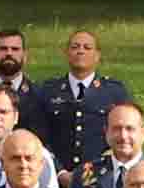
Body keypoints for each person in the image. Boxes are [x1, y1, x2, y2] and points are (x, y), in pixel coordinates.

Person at [35, 29, 129, 173]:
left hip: (101, 177)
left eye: (87, 47)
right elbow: (39, 139)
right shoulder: (48, 91)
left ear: (97, 55)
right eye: (75, 47)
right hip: (55, 178)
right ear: (66, 53)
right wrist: (59, 173)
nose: (80, 51)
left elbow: (124, 136)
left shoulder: (114, 92)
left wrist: (94, 173)